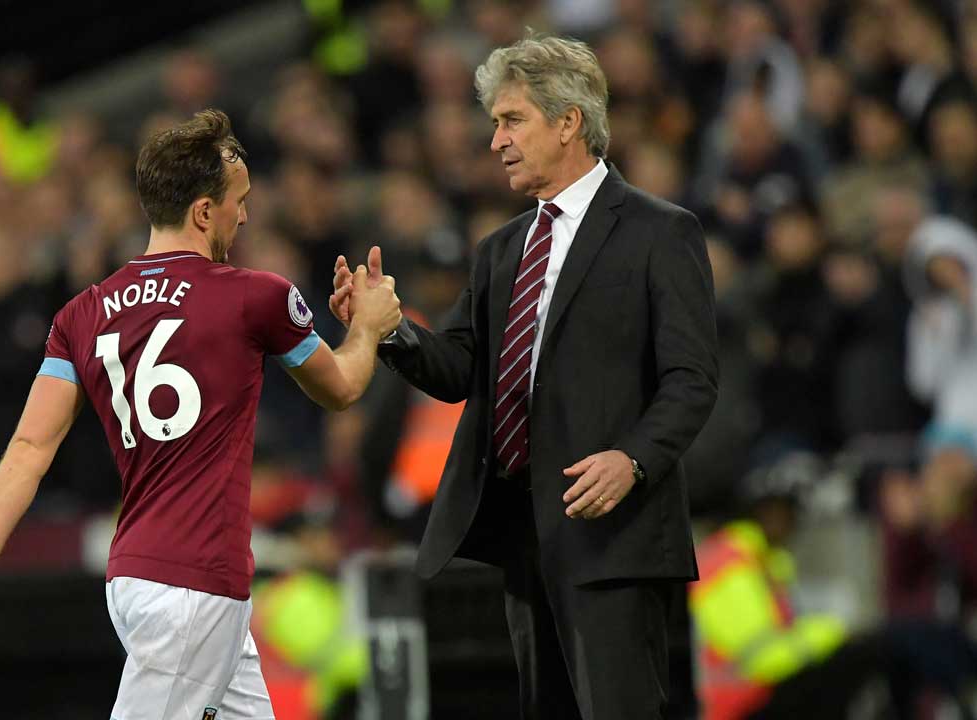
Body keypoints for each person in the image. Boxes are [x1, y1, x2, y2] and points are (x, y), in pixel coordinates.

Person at [0, 109, 402, 720]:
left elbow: (28, 449)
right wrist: (367, 328)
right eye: (239, 201)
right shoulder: (255, 296)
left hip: (139, 574)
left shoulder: (82, 315)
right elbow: (341, 387)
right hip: (194, 584)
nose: (245, 215)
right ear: (203, 211)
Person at [332, 34, 719, 718]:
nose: (496, 141)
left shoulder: (661, 233)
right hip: (524, 534)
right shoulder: (500, 249)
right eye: (494, 124)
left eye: (512, 120)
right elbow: (458, 371)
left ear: (568, 121)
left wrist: (634, 458)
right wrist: (388, 327)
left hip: (614, 537)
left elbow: (691, 379)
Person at [693, 453, 977, 720]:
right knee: (881, 646)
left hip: (759, 698)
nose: (794, 522)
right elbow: (762, 657)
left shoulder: (760, 560)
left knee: (892, 646)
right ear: (762, 509)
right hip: (742, 707)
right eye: (786, 510)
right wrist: (834, 633)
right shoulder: (731, 564)